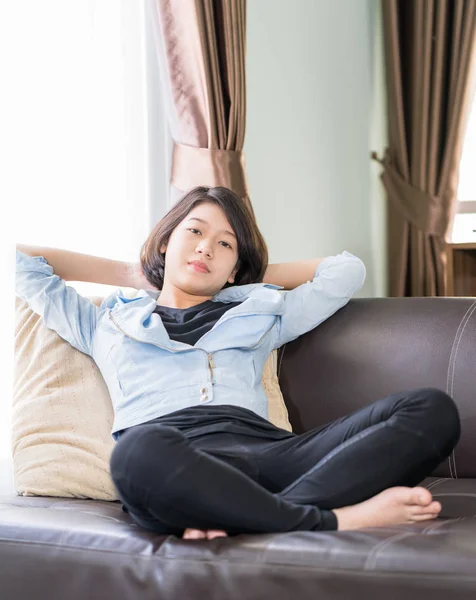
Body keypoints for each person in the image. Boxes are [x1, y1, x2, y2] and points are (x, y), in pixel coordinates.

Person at [15, 185, 460, 540]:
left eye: (224, 244)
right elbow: (21, 260)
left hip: (272, 455)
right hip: (178, 459)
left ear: (235, 268)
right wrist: (141, 272)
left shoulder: (262, 313)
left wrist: (242, 278)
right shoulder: (105, 322)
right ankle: (336, 519)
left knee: (430, 409)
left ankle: (248, 516)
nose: (205, 247)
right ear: (166, 241)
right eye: (193, 232)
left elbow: (345, 271)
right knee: (135, 454)